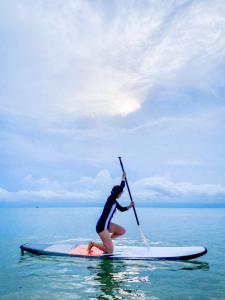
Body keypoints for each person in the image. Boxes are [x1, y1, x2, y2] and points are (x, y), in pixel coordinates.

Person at [87, 171, 134, 254]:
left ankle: (106, 242)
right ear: (116, 193)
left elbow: (122, 209)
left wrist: (129, 206)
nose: (120, 195)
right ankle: (92, 243)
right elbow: (121, 187)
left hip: (107, 224)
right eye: (120, 193)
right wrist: (123, 178)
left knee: (122, 231)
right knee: (110, 251)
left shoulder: (114, 202)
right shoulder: (111, 198)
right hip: (101, 226)